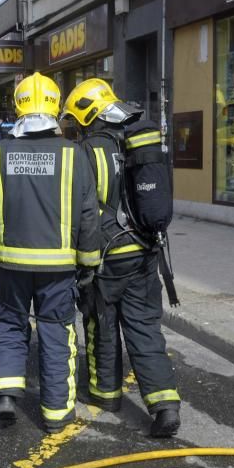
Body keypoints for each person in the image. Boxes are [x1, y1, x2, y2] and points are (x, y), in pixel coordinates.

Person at [0, 72, 100, 432]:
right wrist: (88, 263)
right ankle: (56, 415)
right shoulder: (74, 155)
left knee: (10, 323)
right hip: (59, 269)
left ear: (19, 107)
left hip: (10, 264)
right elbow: (89, 216)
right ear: (56, 108)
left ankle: (8, 393)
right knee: (56, 332)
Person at [63, 78, 181, 438]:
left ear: (86, 114)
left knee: (101, 323)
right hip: (144, 251)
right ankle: (165, 405)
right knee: (145, 328)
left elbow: (81, 211)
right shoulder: (135, 142)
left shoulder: (86, 152)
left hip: (106, 257)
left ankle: (106, 394)